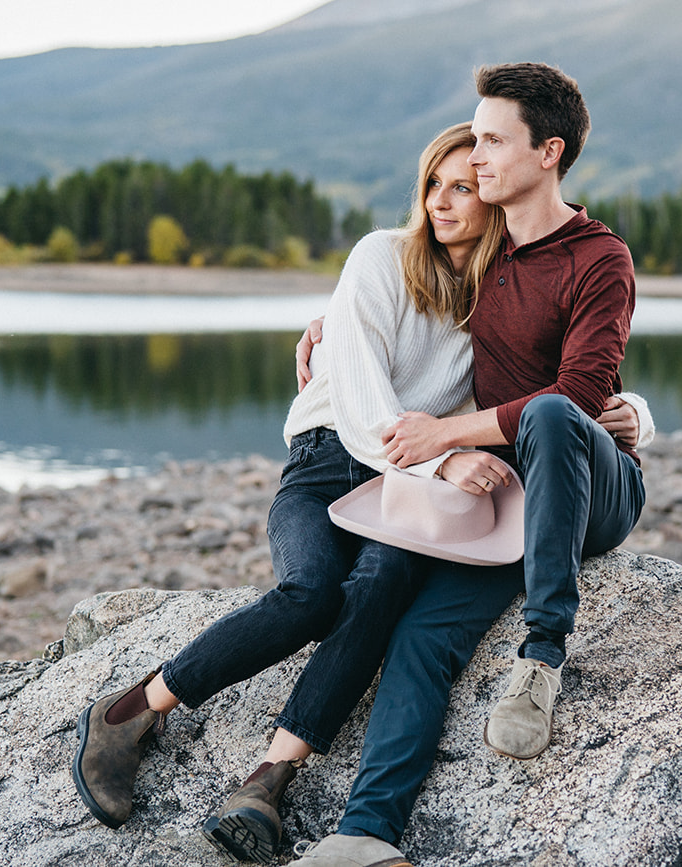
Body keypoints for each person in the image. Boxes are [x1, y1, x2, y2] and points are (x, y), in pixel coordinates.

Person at [69, 121, 650, 863]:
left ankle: (268, 779)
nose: (442, 202)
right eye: (432, 186)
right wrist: (435, 453)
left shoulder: (497, 295)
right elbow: (371, 414)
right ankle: (128, 712)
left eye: (463, 187)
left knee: (381, 585)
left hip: (396, 487)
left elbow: (570, 384)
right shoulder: (381, 257)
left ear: (501, 197)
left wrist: (639, 417)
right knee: (312, 593)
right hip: (329, 463)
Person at [289, 63, 645, 867]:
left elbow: (583, 394)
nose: (476, 156)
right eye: (474, 139)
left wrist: (448, 433)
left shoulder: (600, 257)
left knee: (552, 413)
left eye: (492, 140)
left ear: (548, 152)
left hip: (594, 487)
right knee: (420, 635)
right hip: (512, 497)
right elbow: (397, 299)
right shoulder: (481, 262)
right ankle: (367, 835)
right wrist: (332, 322)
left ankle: (543, 654)